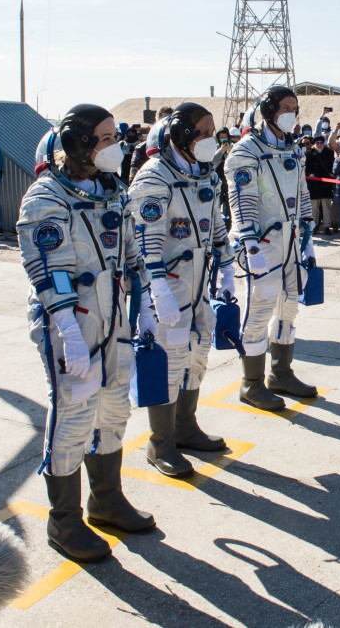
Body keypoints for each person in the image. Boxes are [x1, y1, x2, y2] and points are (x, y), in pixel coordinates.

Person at [17, 103, 156, 562]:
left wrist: (147, 306)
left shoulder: (113, 193)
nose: (117, 146)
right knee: (74, 415)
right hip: (70, 322)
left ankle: (107, 500)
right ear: (79, 144)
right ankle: (63, 521)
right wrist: (68, 330)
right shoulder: (46, 199)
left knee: (114, 407)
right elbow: (48, 270)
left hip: (113, 316)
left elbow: (131, 254)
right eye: (107, 138)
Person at [129, 103, 231, 478]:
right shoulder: (155, 177)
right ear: (182, 136)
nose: (210, 139)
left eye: (212, 132)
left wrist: (227, 268)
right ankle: (160, 443)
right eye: (202, 132)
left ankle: (185, 427)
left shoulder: (205, 175)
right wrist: (157, 287)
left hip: (198, 283)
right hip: (168, 286)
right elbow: (145, 240)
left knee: (197, 352)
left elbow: (216, 223)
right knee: (170, 360)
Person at [224, 85, 318, 411]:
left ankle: (281, 374)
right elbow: (242, 201)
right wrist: (250, 244)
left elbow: (302, 192)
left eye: (295, 108)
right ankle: (251, 384)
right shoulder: (246, 151)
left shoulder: (293, 149)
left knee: (289, 307)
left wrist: (308, 235)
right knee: (260, 309)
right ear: (269, 111)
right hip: (262, 243)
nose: (292, 113)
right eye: (286, 107)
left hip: (291, 241)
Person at [305, 135, 336, 235]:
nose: (319, 144)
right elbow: (305, 167)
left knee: (326, 206)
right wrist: (309, 174)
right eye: (317, 143)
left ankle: (327, 226)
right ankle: (314, 226)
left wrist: (332, 173)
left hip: (326, 184)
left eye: (321, 143)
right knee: (314, 207)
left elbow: (333, 166)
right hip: (313, 184)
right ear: (314, 144)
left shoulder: (329, 153)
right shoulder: (308, 153)